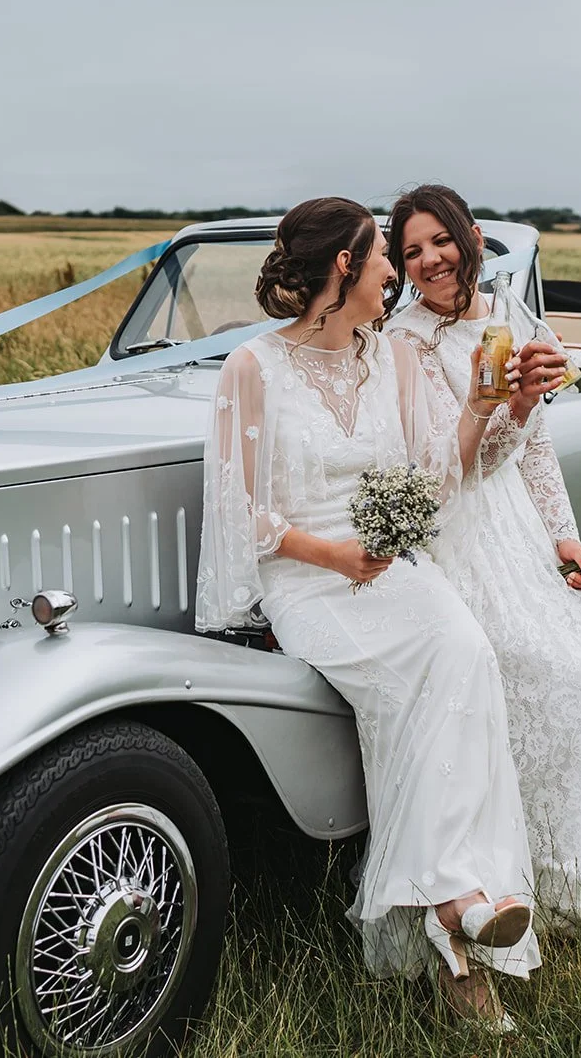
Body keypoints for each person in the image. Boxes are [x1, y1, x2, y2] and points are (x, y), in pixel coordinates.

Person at [195, 196, 550, 1027]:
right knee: (402, 683)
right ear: (345, 269)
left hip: (392, 566)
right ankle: (459, 918)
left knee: (466, 649)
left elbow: (429, 483)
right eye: (385, 257)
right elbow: (239, 514)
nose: (399, 270)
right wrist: (334, 556)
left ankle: (452, 902)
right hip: (309, 582)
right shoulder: (253, 367)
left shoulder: (388, 356)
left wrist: (476, 406)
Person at [384, 184, 581, 971]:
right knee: (557, 677)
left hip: (519, 531)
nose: (428, 260)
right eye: (410, 251)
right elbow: (439, 474)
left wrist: (564, 537)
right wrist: (498, 405)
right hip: (453, 540)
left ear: (467, 239)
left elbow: (532, 453)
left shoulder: (512, 319)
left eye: (439, 241)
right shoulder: (402, 343)